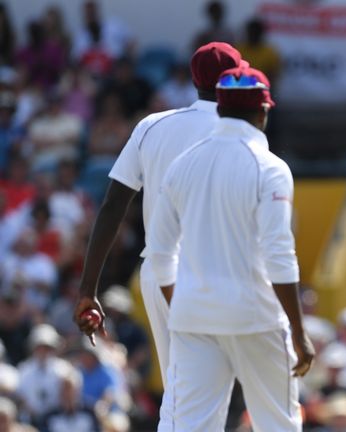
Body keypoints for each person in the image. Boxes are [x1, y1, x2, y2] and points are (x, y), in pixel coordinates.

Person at [146, 65, 314, 431]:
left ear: (219, 109)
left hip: (193, 316)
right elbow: (279, 256)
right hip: (255, 317)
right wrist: (299, 334)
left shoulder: (182, 164)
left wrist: (186, 306)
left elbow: (159, 253)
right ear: (263, 111)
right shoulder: (270, 168)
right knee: (279, 425)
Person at [72, 42, 245, 386]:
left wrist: (88, 289)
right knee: (206, 395)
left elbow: (112, 207)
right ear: (234, 79)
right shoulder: (243, 131)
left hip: (157, 272)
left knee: (180, 393)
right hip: (211, 275)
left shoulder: (152, 125)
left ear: (195, 81)